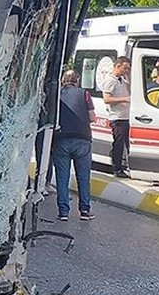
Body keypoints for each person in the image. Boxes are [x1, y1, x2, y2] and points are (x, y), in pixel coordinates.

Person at [54, 70, 95, 221]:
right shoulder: (85, 94)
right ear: (77, 80)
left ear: (63, 80)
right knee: (83, 177)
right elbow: (92, 117)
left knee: (62, 177)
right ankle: (84, 211)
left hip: (61, 139)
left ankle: (63, 212)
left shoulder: (57, 94)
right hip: (82, 139)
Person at [101, 56, 132, 178]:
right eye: (125, 68)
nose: (126, 71)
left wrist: (128, 77)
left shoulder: (122, 79)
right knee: (118, 143)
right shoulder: (110, 81)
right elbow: (107, 99)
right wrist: (123, 99)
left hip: (126, 116)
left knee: (126, 143)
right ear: (117, 66)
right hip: (117, 118)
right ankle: (117, 168)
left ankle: (125, 166)